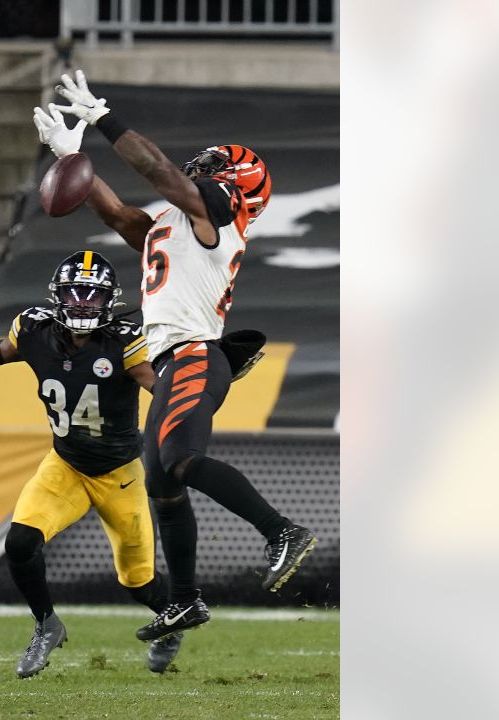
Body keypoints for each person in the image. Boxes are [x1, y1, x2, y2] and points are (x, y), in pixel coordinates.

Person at [32, 70, 317, 643]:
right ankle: (185, 601)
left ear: (235, 185)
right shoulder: (176, 226)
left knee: (179, 460)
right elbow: (117, 215)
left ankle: (282, 530)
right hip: (172, 360)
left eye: (213, 169)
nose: (200, 171)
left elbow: (159, 171)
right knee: (162, 480)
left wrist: (102, 118)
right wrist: (74, 158)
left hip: (192, 355)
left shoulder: (221, 220)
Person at [0, 251, 185, 676]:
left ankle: (172, 623)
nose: (82, 303)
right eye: (74, 294)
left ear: (109, 301)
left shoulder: (125, 341)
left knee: (138, 582)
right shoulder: (35, 329)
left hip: (120, 474)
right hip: (65, 466)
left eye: (92, 296)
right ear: (58, 297)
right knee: (21, 542)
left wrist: (205, 384)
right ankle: (47, 624)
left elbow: (165, 389)